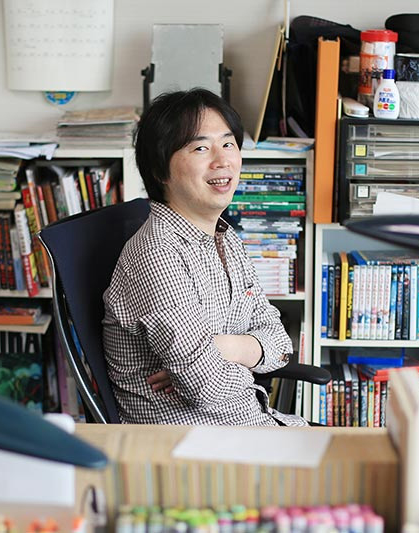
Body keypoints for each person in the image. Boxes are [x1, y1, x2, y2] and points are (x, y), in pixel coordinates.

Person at [102, 88, 305, 426]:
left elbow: (281, 343)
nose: (222, 161)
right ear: (160, 170)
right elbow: (206, 386)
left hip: (249, 427)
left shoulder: (225, 238)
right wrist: (250, 358)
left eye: (228, 144)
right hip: (194, 445)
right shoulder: (157, 255)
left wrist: (224, 348)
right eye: (200, 148)